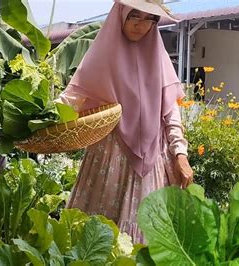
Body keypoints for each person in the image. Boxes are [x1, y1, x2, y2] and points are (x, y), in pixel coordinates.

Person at [58, 0, 194, 244]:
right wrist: (38, 117)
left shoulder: (158, 58)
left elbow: (171, 112)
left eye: (150, 19)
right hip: (110, 156)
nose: (141, 26)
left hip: (153, 160)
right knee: (97, 242)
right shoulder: (102, 55)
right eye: (135, 17)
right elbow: (71, 99)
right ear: (121, 14)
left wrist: (180, 154)